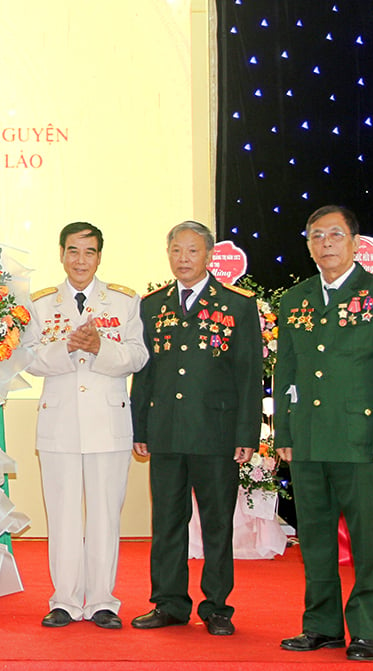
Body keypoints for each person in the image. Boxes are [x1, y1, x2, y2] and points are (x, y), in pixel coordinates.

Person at [275, 205, 373, 662]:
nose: (326, 243)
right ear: (309, 244)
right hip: (310, 440)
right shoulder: (295, 299)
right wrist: (285, 433)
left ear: (355, 242)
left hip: (361, 440)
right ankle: (322, 625)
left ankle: (367, 630)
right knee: (314, 539)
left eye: (335, 234)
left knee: (367, 542)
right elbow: (287, 370)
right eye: (316, 235)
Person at [129, 220, 262, 636]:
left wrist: (247, 435)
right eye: (176, 250)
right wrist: (140, 427)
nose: (182, 259)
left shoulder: (237, 305)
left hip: (216, 434)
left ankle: (218, 606)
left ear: (208, 256)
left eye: (191, 251)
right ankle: (169, 603)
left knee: (217, 522)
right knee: (167, 520)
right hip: (166, 431)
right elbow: (145, 374)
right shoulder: (152, 305)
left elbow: (248, 375)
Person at [27, 222, 149, 628]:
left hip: (108, 420)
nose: (81, 260)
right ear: (61, 254)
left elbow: (137, 356)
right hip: (59, 421)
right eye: (74, 251)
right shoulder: (41, 304)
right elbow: (27, 359)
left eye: (90, 252)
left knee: (104, 515)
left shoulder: (123, 301)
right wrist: (67, 347)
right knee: (62, 515)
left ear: (100, 256)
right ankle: (63, 600)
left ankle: (101, 602)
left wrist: (100, 348)